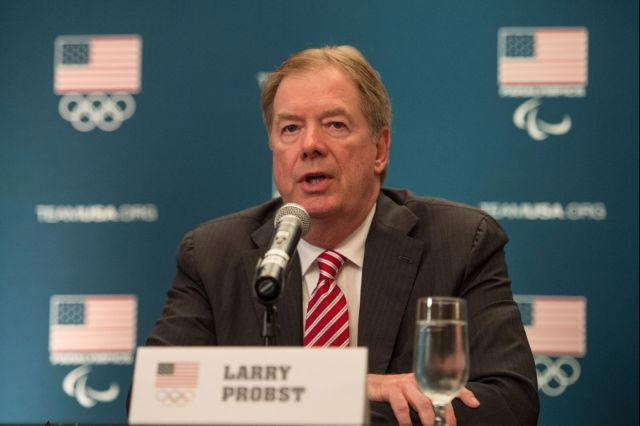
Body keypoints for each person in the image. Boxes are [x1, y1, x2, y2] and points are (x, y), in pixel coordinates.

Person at [143, 45, 539, 425]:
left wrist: (303, 404)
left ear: (379, 149)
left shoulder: (461, 243)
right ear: (274, 149)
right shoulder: (213, 256)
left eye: (335, 125)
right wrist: (356, 388)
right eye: (290, 128)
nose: (310, 145)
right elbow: (156, 396)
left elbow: (509, 404)